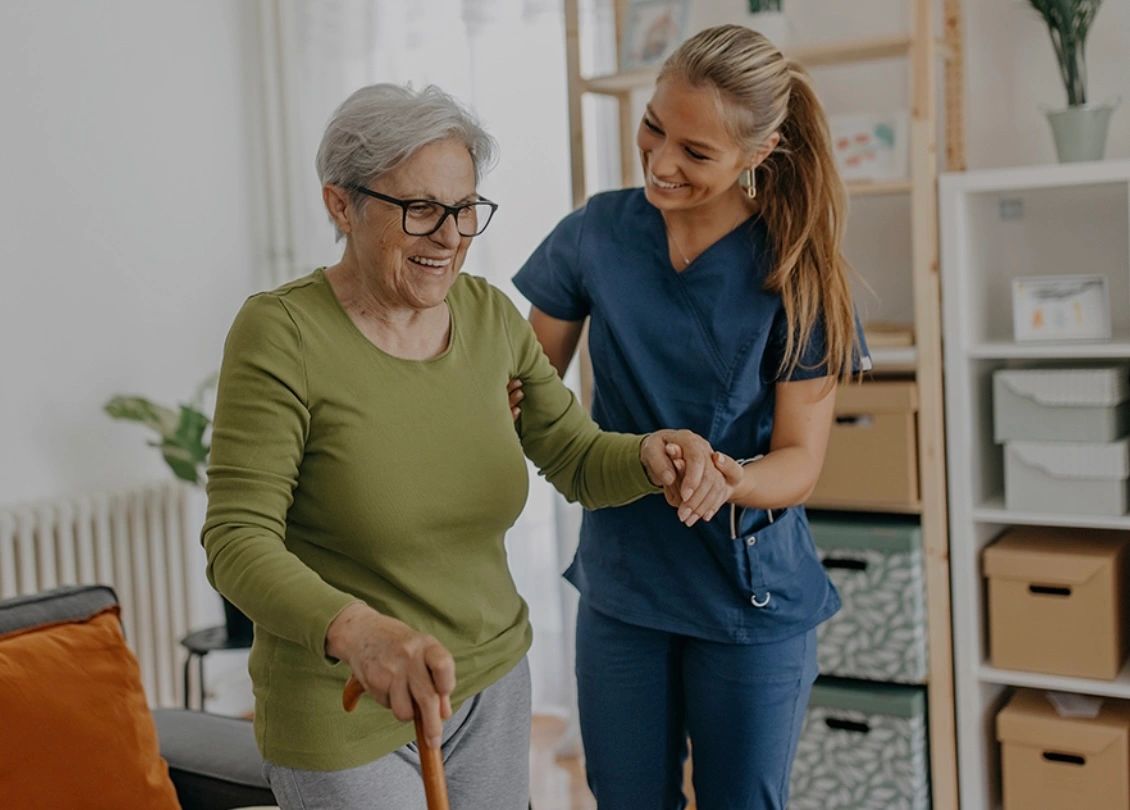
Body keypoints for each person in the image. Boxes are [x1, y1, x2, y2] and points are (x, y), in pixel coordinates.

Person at [202, 83, 731, 810]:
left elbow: (574, 456)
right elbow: (237, 539)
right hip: (346, 700)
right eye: (420, 209)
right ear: (339, 205)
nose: (449, 236)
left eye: (464, 209)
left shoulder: (487, 316)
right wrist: (357, 633)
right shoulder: (282, 333)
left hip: (491, 685)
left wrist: (651, 455)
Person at [511, 24, 871, 810]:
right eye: (653, 127)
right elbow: (526, 387)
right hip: (624, 587)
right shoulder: (596, 235)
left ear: (760, 151)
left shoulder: (796, 268)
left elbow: (801, 460)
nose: (661, 162)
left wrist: (728, 477)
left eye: (696, 152)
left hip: (748, 597)